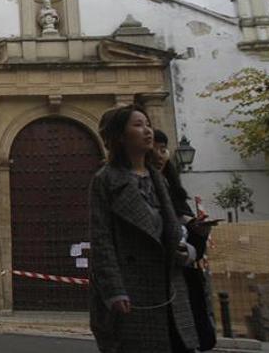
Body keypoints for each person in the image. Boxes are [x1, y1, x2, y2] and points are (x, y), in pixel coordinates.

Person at [89, 105, 198, 352]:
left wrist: (187, 250)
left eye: (148, 123)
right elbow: (101, 241)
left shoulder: (158, 178)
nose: (147, 130)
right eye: (138, 125)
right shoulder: (105, 180)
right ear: (119, 136)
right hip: (133, 293)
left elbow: (169, 230)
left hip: (169, 288)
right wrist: (114, 292)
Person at [152, 129, 218, 351]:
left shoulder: (174, 191)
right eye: (153, 151)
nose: (160, 155)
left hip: (184, 278)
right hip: (158, 281)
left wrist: (196, 233)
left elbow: (194, 244)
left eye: (163, 150)